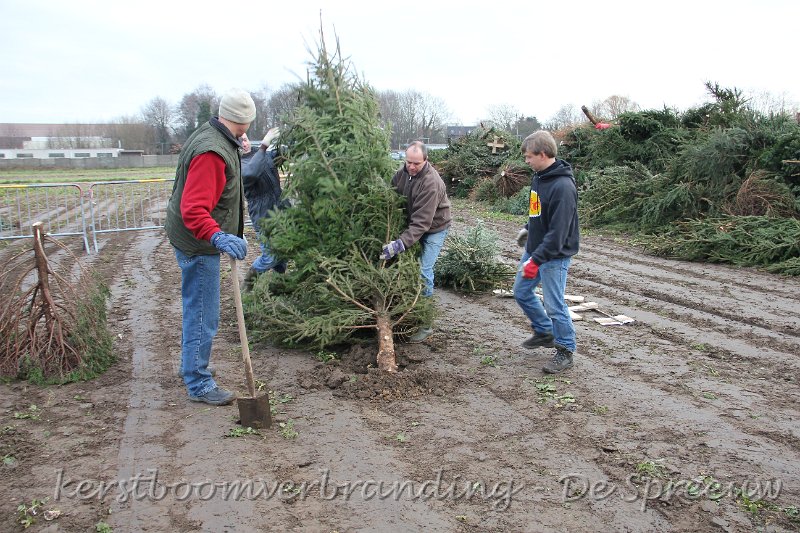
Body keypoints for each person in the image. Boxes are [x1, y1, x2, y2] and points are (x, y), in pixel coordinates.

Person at [164, 88, 256, 406]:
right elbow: (193, 209)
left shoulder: (213, 135)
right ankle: (198, 382)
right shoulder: (212, 153)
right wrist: (217, 237)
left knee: (200, 309)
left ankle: (192, 366)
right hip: (197, 241)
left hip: (193, 236)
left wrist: (238, 148)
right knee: (203, 312)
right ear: (244, 122)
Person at [513, 130, 580, 374]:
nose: (526, 161)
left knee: (554, 305)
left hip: (554, 254)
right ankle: (544, 331)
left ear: (543, 154)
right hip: (536, 249)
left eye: (529, 157)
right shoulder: (539, 178)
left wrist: (536, 260)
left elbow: (558, 233)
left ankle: (565, 350)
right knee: (521, 291)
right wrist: (528, 228)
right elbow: (537, 211)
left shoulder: (562, 187)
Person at [380, 140, 452, 343]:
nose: (411, 167)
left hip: (435, 229)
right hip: (414, 223)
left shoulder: (431, 183)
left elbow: (422, 224)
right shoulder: (402, 173)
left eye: (416, 164)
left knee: (423, 271)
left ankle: (426, 323)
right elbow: (391, 195)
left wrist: (399, 244)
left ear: (426, 161)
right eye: (408, 162)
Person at [241, 127, 287, 290]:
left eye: (245, 139)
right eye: (239, 140)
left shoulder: (265, 155)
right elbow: (251, 173)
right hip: (263, 216)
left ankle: (277, 286)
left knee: (284, 254)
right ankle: (249, 282)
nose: (243, 143)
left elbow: (284, 153)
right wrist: (264, 145)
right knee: (270, 256)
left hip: (281, 210)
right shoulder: (237, 165)